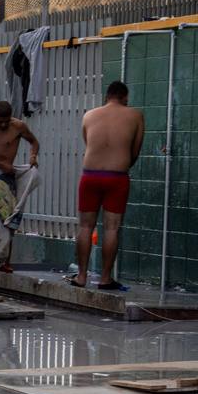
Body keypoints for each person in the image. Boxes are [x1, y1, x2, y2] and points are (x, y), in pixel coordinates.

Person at [72, 80, 145, 290]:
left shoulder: (89, 115)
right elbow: (135, 150)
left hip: (90, 176)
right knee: (112, 228)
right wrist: (121, 163)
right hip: (117, 177)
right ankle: (105, 278)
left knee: (85, 226)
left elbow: (88, 143)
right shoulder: (135, 116)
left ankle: (82, 276)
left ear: (107, 96)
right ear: (125, 97)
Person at [0, 100, 39, 272]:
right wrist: (2, 166)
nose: (3, 125)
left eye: (6, 121)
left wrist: (33, 157)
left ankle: (3, 261)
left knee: (8, 217)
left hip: (8, 175)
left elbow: (34, 142)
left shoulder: (18, 126)